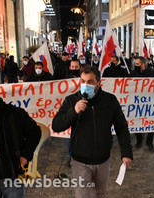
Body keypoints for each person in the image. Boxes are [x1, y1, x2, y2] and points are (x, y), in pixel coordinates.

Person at [52, 66, 133, 198]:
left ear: (99, 83)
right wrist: (74, 111)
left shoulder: (110, 100)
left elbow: (121, 127)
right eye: (82, 81)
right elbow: (56, 125)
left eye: (90, 82)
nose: (85, 85)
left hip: (103, 161)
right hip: (80, 162)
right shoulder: (71, 100)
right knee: (83, 195)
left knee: (100, 194)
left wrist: (126, 153)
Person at [130, 57, 154, 152]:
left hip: (149, 101)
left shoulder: (152, 73)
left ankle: (149, 142)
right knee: (137, 120)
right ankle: (139, 140)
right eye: (135, 64)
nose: (136, 65)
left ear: (143, 64)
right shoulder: (133, 73)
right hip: (137, 101)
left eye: (138, 64)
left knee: (151, 121)